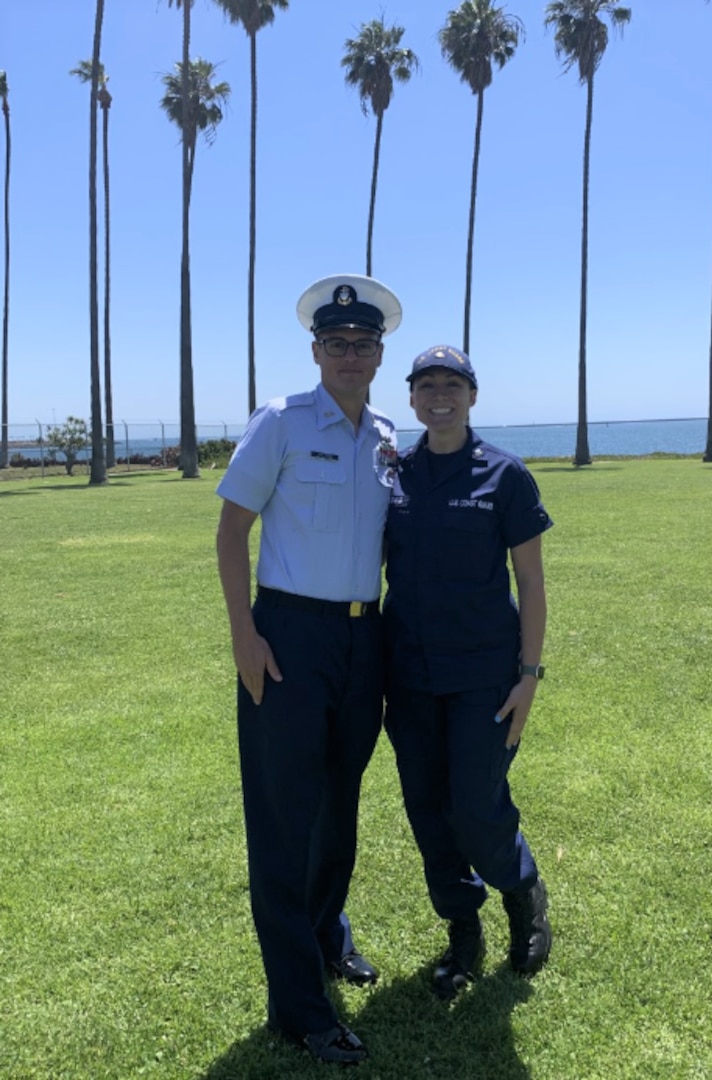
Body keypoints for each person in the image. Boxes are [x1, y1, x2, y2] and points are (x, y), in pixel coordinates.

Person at [216, 274, 402, 1065]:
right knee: (284, 824)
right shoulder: (282, 423)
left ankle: (329, 936)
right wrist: (245, 636)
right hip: (287, 637)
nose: (351, 355)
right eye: (338, 343)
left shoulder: (390, 435)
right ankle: (299, 1007)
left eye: (364, 344)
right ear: (317, 349)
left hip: (366, 644)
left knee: (339, 810)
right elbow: (230, 534)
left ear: (379, 352)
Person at [382, 345, 553, 999]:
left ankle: (523, 892)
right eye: (426, 384)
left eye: (452, 383)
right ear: (413, 399)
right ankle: (462, 933)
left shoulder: (505, 476)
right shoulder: (392, 472)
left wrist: (530, 674)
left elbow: (531, 581)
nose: (439, 394)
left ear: (472, 396)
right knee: (428, 809)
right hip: (411, 675)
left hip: (484, 673)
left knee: (475, 805)